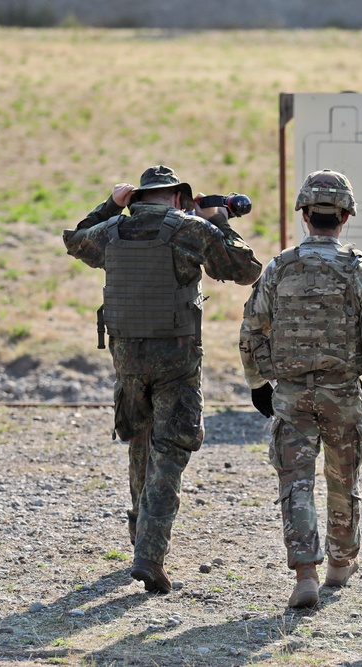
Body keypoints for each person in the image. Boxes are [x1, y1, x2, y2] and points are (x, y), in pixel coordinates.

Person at [63, 164, 262, 594]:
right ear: (176, 197)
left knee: (139, 437)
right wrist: (220, 222)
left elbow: (75, 241)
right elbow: (246, 269)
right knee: (170, 449)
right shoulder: (189, 229)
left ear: (137, 199)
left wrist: (109, 205)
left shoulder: (114, 229)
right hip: (177, 358)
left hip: (127, 356)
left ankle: (139, 529)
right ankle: (150, 555)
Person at [239, 169, 362, 609]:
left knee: (297, 482)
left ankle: (305, 572)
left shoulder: (278, 268)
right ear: (345, 216)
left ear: (305, 215)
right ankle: (340, 565)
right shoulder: (361, 272)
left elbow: (252, 330)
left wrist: (259, 381)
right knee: (343, 479)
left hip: (291, 393)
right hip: (343, 394)